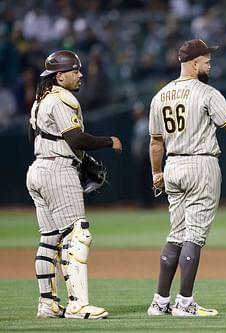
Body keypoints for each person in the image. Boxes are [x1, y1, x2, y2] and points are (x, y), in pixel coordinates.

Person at [147, 38, 226, 317]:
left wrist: (156, 171)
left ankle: (159, 302)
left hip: (172, 166)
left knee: (176, 235)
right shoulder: (207, 93)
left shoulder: (160, 96)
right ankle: (184, 303)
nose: (210, 64)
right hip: (200, 165)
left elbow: (155, 143)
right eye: (207, 61)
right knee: (193, 236)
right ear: (194, 64)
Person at [26, 50, 122, 319]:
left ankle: (48, 304)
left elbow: (32, 139)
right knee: (78, 234)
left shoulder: (40, 101)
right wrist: (108, 141)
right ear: (60, 76)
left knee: (49, 239)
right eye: (75, 71)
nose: (80, 75)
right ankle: (78, 305)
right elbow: (76, 139)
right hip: (57, 170)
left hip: (37, 169)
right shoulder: (62, 99)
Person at [130, 100, 154, 208]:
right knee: (143, 181)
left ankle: (148, 202)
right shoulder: (139, 123)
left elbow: (144, 141)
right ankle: (145, 202)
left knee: (146, 180)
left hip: (146, 157)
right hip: (142, 157)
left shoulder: (144, 123)